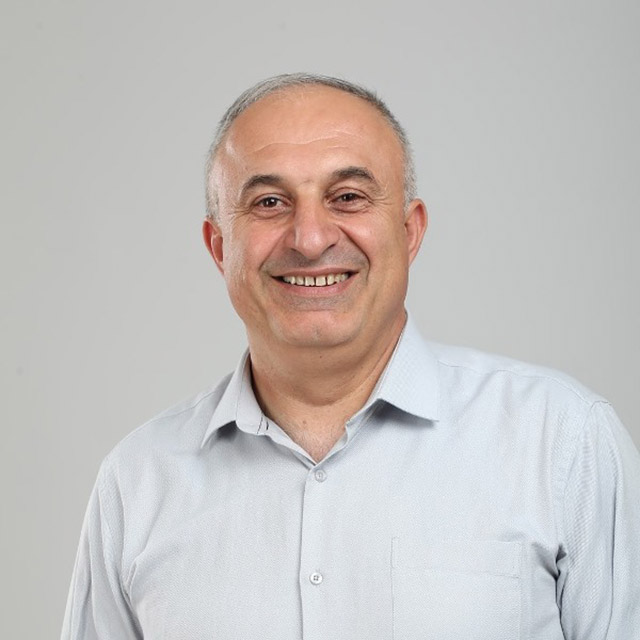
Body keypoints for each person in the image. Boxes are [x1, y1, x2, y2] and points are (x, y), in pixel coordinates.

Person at [61, 73, 640, 640]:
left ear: (409, 232)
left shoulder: (563, 443)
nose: (310, 239)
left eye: (348, 197)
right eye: (269, 202)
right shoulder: (137, 482)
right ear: (219, 248)